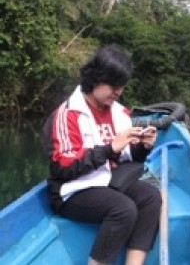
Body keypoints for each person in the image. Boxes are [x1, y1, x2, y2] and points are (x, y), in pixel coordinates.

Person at [43, 46, 161, 265]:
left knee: (151, 197)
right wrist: (109, 149)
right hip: (73, 190)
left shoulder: (120, 113)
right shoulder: (68, 114)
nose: (118, 91)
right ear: (94, 79)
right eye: (113, 85)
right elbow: (62, 167)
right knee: (123, 209)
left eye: (122, 86)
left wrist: (142, 147)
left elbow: (127, 158)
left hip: (107, 181)